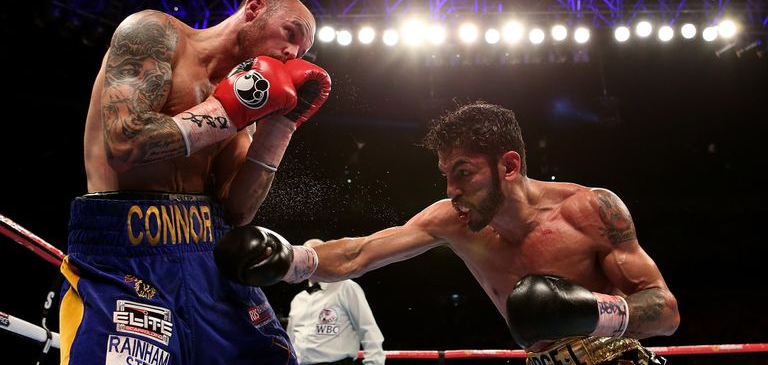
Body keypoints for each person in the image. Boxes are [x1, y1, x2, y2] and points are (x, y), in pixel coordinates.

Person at [217, 101, 680, 365]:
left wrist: (588, 312)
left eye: (464, 173)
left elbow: (666, 313)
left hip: (616, 356)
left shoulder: (591, 210)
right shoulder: (453, 220)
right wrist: (292, 260)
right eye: (446, 175)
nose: (452, 190)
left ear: (510, 165)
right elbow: (361, 254)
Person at [59, 0, 331, 365]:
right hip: (127, 253)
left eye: (302, 53)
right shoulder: (154, 32)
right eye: (291, 34)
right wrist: (227, 114)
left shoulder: (244, 100)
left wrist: (280, 127)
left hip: (209, 251)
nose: (292, 55)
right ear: (253, 9)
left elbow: (237, 212)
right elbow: (124, 143)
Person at [287, 239, 385, 365]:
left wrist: (374, 363)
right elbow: (290, 339)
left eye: (315, 256)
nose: (310, 262)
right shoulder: (298, 299)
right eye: (306, 256)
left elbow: (368, 329)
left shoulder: (345, 287)